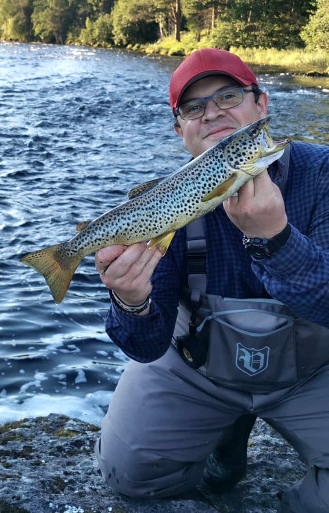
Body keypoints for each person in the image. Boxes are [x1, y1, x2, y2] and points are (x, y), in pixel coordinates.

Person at [93, 48, 329, 512]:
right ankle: (225, 436)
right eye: (194, 107)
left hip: (314, 371)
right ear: (180, 131)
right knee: (126, 472)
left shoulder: (323, 174)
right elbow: (146, 346)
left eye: (228, 96)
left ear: (261, 104)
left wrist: (276, 240)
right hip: (198, 368)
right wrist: (131, 300)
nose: (213, 113)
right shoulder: (165, 202)